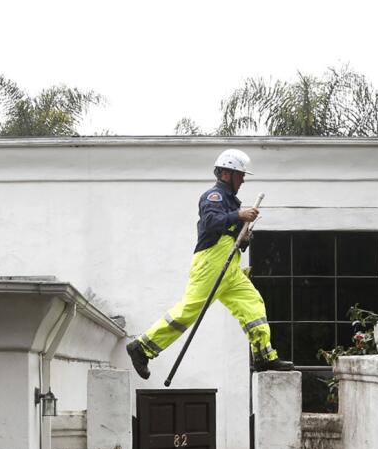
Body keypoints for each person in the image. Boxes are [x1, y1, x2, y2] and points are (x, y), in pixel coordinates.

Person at [126, 148, 294, 379]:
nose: (243, 179)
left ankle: (263, 356)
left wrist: (243, 238)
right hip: (211, 265)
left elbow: (229, 234)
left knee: (253, 305)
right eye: (240, 174)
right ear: (227, 173)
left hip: (230, 269)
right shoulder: (213, 196)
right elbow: (211, 221)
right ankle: (142, 347)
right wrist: (240, 216)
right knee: (188, 311)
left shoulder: (231, 202)